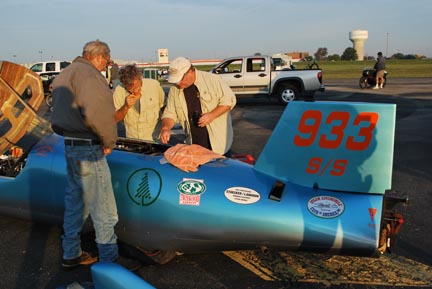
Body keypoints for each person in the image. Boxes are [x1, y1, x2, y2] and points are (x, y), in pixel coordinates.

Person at [50, 40, 140, 271]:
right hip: (89, 148)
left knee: (75, 204)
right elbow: (99, 115)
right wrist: (108, 141)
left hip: (69, 145)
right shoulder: (90, 77)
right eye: (107, 61)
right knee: (105, 209)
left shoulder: (65, 74)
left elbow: (58, 117)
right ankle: (110, 262)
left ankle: (71, 253)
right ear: (99, 57)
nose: (106, 66)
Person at [160, 57, 236, 155]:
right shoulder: (174, 90)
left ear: (190, 71)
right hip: (193, 146)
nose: (178, 84)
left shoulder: (213, 80)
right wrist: (165, 128)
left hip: (218, 146)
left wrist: (212, 115)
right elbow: (170, 113)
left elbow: (229, 100)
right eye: (175, 81)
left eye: (180, 79)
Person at [113, 65, 165, 141]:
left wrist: (165, 128)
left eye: (138, 87)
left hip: (155, 139)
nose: (136, 91)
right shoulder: (119, 91)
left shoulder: (154, 86)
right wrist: (125, 107)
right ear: (124, 85)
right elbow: (115, 119)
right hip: (133, 139)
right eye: (131, 90)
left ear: (140, 78)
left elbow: (164, 108)